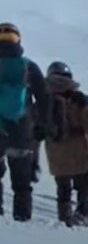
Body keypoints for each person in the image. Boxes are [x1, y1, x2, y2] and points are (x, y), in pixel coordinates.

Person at [43, 62, 88, 227]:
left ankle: (64, 221)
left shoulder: (44, 99)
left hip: (56, 154)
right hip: (80, 153)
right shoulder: (79, 100)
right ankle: (81, 214)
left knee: (63, 191)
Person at [0, 22, 50, 222]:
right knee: (22, 183)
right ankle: (23, 222)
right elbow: (44, 97)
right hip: (22, 130)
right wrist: (42, 125)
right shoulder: (29, 66)